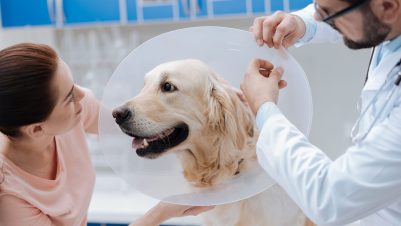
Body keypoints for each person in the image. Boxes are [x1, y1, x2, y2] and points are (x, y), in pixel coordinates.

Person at [0, 43, 213, 226]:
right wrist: (161, 213)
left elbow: (127, 124)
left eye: (73, 84)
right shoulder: (10, 198)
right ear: (37, 129)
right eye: (68, 97)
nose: (82, 94)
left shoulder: (71, 111)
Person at [241, 0, 401, 225]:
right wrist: (301, 23)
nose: (317, 17)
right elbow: (360, 14)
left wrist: (265, 108)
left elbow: (331, 198)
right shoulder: (389, 21)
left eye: (327, 13)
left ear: (387, 7)